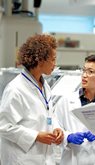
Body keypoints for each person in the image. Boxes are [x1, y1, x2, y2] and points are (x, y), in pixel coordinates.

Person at [0, 34, 64, 165]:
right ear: (40, 60)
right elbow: (4, 126)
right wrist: (36, 136)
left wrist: (56, 128)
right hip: (22, 158)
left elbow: (49, 114)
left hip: (43, 157)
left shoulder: (44, 85)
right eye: (52, 59)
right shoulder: (16, 89)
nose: (55, 64)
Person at [54, 54, 95, 165]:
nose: (84, 75)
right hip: (71, 160)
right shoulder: (65, 102)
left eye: (90, 72)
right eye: (83, 70)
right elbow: (55, 128)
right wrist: (68, 137)